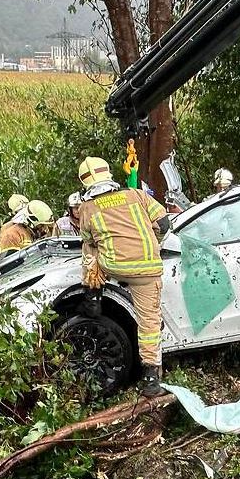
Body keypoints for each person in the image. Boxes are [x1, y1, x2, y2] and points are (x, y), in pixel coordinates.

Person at [76, 156, 171, 398]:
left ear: (85, 183)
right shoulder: (136, 195)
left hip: (115, 266)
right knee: (149, 323)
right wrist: (153, 244)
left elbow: (88, 240)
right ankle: (150, 378)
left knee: (90, 250)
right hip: (147, 269)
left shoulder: (87, 208)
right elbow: (164, 223)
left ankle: (93, 297)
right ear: (108, 174)